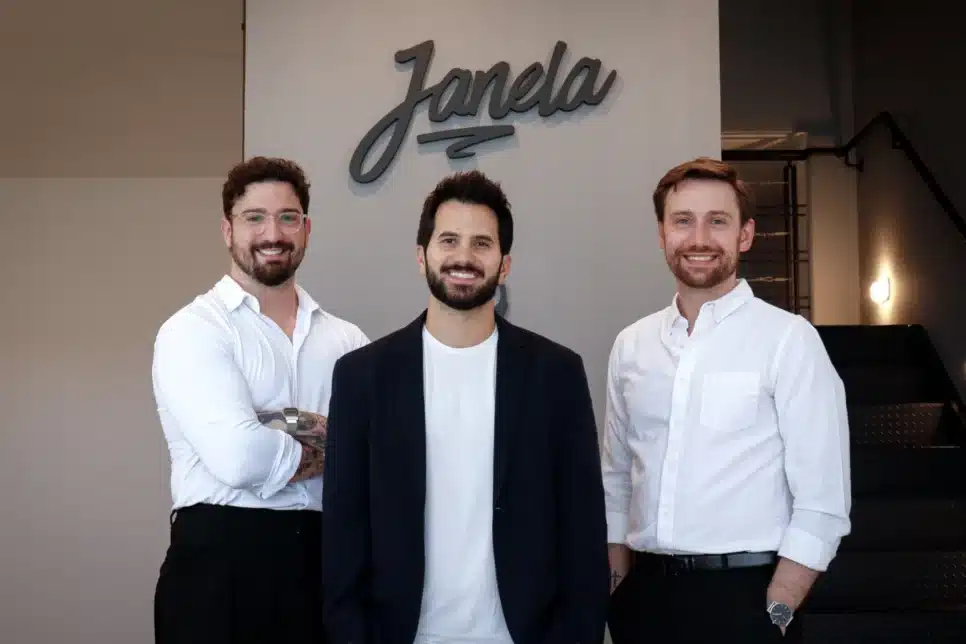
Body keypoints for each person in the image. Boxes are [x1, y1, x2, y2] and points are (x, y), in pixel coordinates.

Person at [321, 170, 610, 644]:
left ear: (504, 264)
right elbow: (343, 532)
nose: (464, 257)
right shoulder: (362, 377)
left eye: (482, 244)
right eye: (449, 240)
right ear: (422, 256)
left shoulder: (555, 374)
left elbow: (582, 526)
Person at [603, 157, 852, 643]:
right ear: (662, 234)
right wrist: (617, 589)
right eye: (683, 221)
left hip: (745, 599)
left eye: (717, 221)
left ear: (745, 234)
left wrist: (777, 608)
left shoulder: (789, 340)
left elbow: (823, 498)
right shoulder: (631, 345)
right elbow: (615, 478)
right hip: (645, 598)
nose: (699, 238)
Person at [151, 156, 369, 644]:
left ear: (306, 229)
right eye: (255, 217)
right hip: (220, 569)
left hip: (325, 566)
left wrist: (267, 422)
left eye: (288, 217)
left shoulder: (349, 341)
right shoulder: (194, 329)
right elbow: (239, 456)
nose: (273, 233)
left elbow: (381, 452)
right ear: (227, 229)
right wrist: (341, 442)